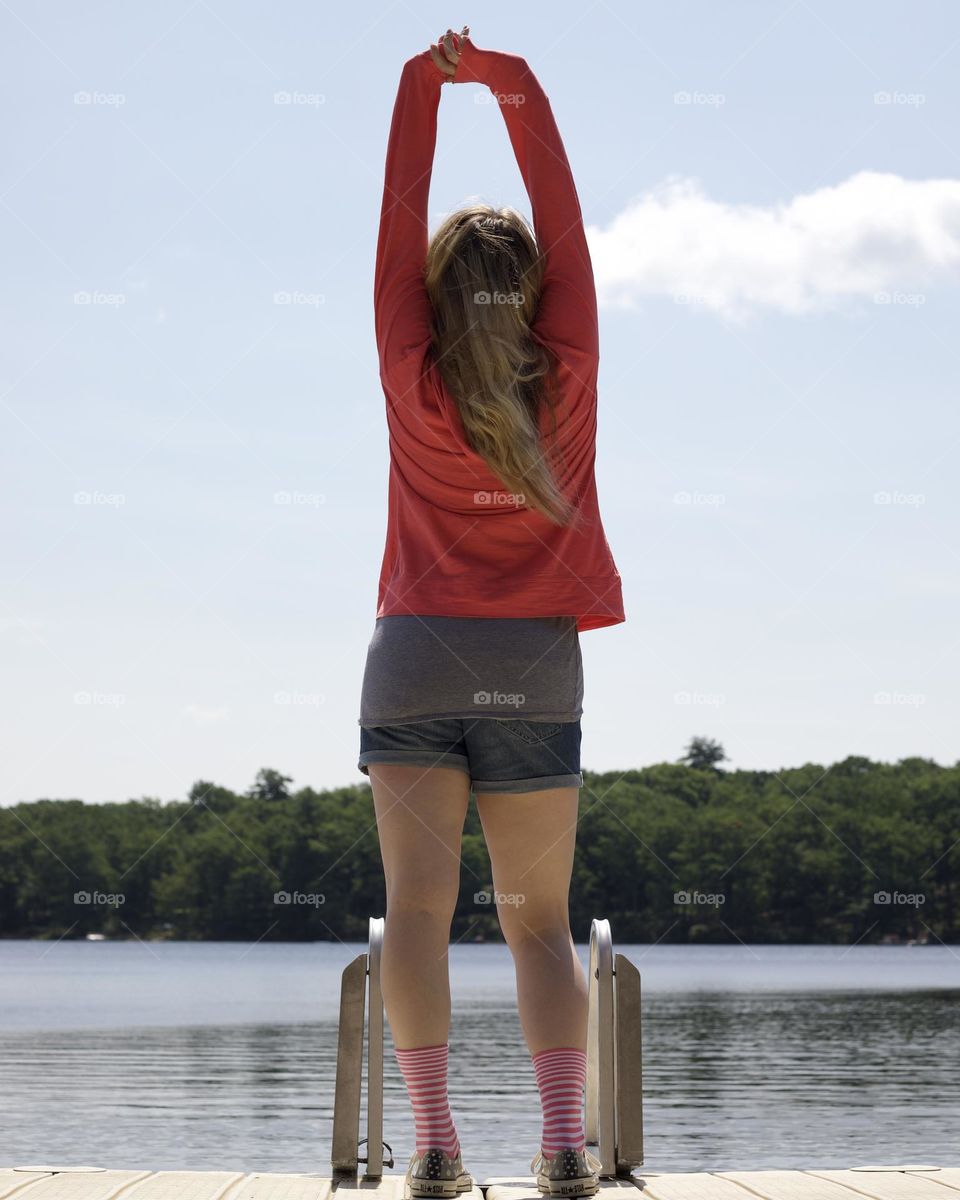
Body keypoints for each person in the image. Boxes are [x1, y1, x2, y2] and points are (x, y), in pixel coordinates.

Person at [358, 25, 623, 1198]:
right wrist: (511, 87)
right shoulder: (567, 360)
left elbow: (396, 197)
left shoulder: (406, 362)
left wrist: (424, 85)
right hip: (534, 666)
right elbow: (560, 205)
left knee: (415, 912)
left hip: (413, 659)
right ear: (536, 292)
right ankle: (563, 1146)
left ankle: (434, 1149)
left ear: (429, 294)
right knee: (537, 918)